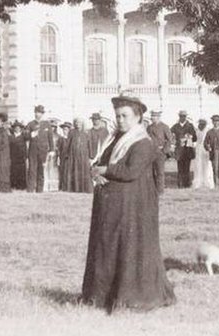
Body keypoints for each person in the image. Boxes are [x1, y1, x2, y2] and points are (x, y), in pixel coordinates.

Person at [81, 95, 175, 312]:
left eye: (125, 116)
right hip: (111, 204)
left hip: (133, 207)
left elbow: (131, 171)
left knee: (127, 249)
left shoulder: (143, 142)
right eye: (117, 116)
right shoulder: (114, 138)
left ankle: (129, 297)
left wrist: (106, 171)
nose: (120, 120)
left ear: (138, 117)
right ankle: (101, 296)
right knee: (107, 248)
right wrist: (96, 173)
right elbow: (99, 162)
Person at [29, 105, 57, 193]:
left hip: (43, 151)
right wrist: (31, 134)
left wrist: (52, 150)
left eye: (40, 113)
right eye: (36, 112)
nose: (38, 114)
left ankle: (39, 190)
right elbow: (24, 135)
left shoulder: (47, 124)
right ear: (34, 113)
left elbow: (50, 138)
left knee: (41, 170)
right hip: (33, 151)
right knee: (32, 170)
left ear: (42, 114)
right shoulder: (31, 124)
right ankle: (30, 189)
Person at [65, 118, 95, 194]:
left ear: (82, 123)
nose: (78, 124)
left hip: (83, 156)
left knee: (83, 171)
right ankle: (74, 188)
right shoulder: (72, 132)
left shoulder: (86, 132)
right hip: (73, 155)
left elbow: (89, 144)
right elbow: (68, 143)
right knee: (74, 170)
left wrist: (91, 156)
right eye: (76, 122)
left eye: (79, 122)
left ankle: (83, 188)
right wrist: (67, 154)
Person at [171, 110, 197, 189]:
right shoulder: (175, 126)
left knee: (187, 167)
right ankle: (180, 184)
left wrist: (190, 137)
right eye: (181, 116)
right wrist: (174, 142)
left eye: (184, 116)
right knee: (180, 168)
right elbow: (170, 136)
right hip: (179, 150)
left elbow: (195, 138)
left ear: (186, 117)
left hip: (187, 150)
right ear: (179, 117)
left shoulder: (190, 126)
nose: (182, 118)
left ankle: (187, 184)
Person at [192, 118, 215, 189]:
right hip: (198, 149)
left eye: (202, 124)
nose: (201, 125)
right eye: (200, 123)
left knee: (207, 165)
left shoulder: (207, 131)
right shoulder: (197, 131)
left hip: (205, 149)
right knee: (198, 165)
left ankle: (208, 182)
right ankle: (198, 182)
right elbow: (195, 140)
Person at [9, 122, 29, 192]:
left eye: (19, 128)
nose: (17, 129)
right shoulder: (11, 137)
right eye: (16, 128)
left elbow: (26, 146)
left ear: (20, 129)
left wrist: (26, 156)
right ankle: (13, 185)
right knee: (13, 171)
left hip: (21, 157)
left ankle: (21, 186)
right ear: (14, 129)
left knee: (21, 172)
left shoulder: (23, 136)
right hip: (13, 157)